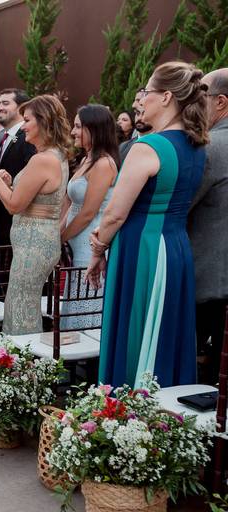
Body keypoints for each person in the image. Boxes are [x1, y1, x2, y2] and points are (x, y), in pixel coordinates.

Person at [88, 62, 209, 388]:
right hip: (176, 246)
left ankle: (128, 404)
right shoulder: (197, 147)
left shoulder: (148, 147)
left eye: (147, 92)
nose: (141, 100)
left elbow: (114, 214)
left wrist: (98, 249)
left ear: (166, 96)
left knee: (136, 326)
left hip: (141, 249)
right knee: (165, 329)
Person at [0, 95, 71, 335]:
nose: (23, 127)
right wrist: (9, 183)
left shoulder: (42, 160)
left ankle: (23, 355)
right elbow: (30, 196)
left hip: (34, 244)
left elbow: (13, 205)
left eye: (28, 120)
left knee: (21, 306)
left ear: (44, 121)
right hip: (36, 241)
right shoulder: (56, 155)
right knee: (22, 302)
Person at [59, 105, 119, 329]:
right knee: (74, 300)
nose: (73, 132)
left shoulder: (103, 164)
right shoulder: (87, 159)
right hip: (76, 245)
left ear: (94, 129)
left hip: (90, 246)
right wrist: (59, 232)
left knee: (86, 305)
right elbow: (73, 203)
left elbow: (87, 213)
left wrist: (61, 237)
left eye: (77, 126)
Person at [188, 67, 228, 384]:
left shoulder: (211, 146)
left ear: (221, 102)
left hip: (209, 276)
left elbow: (180, 205)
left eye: (202, 96)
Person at [0, 89, 38, 244]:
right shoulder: (4, 138)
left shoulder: (27, 138)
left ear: (21, 107)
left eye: (5, 103)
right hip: (0, 221)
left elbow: (31, 178)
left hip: (16, 223)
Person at [119, 91, 154, 162]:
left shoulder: (160, 144)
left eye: (144, 113)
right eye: (137, 113)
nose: (139, 118)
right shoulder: (123, 147)